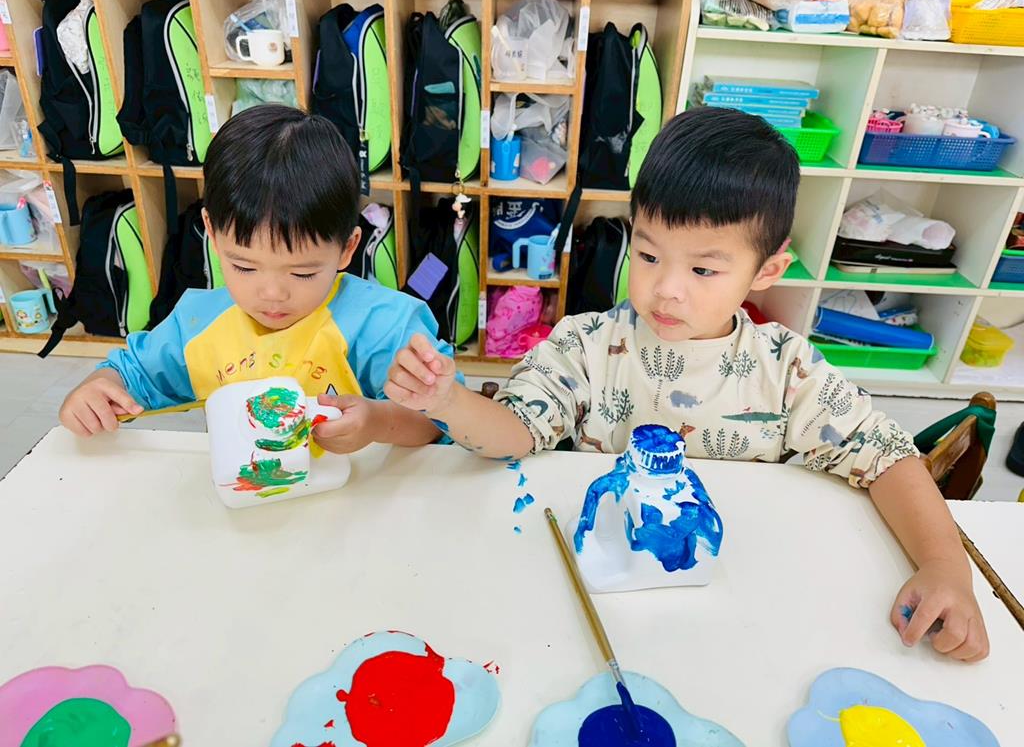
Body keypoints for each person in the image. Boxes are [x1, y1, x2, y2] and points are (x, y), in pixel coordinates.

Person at [386, 107, 989, 661]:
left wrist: (945, 566)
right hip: (600, 609)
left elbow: (887, 458)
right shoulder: (587, 344)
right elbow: (515, 432)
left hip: (737, 619)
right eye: (649, 256)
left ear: (767, 271)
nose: (666, 289)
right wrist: (449, 401)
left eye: (703, 268)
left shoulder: (786, 370)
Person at [60, 105, 447, 454]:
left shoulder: (385, 326)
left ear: (348, 248)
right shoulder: (197, 324)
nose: (272, 293)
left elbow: (438, 424)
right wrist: (94, 392)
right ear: (212, 233)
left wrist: (378, 422)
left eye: (303, 272)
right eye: (244, 267)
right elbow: (132, 374)